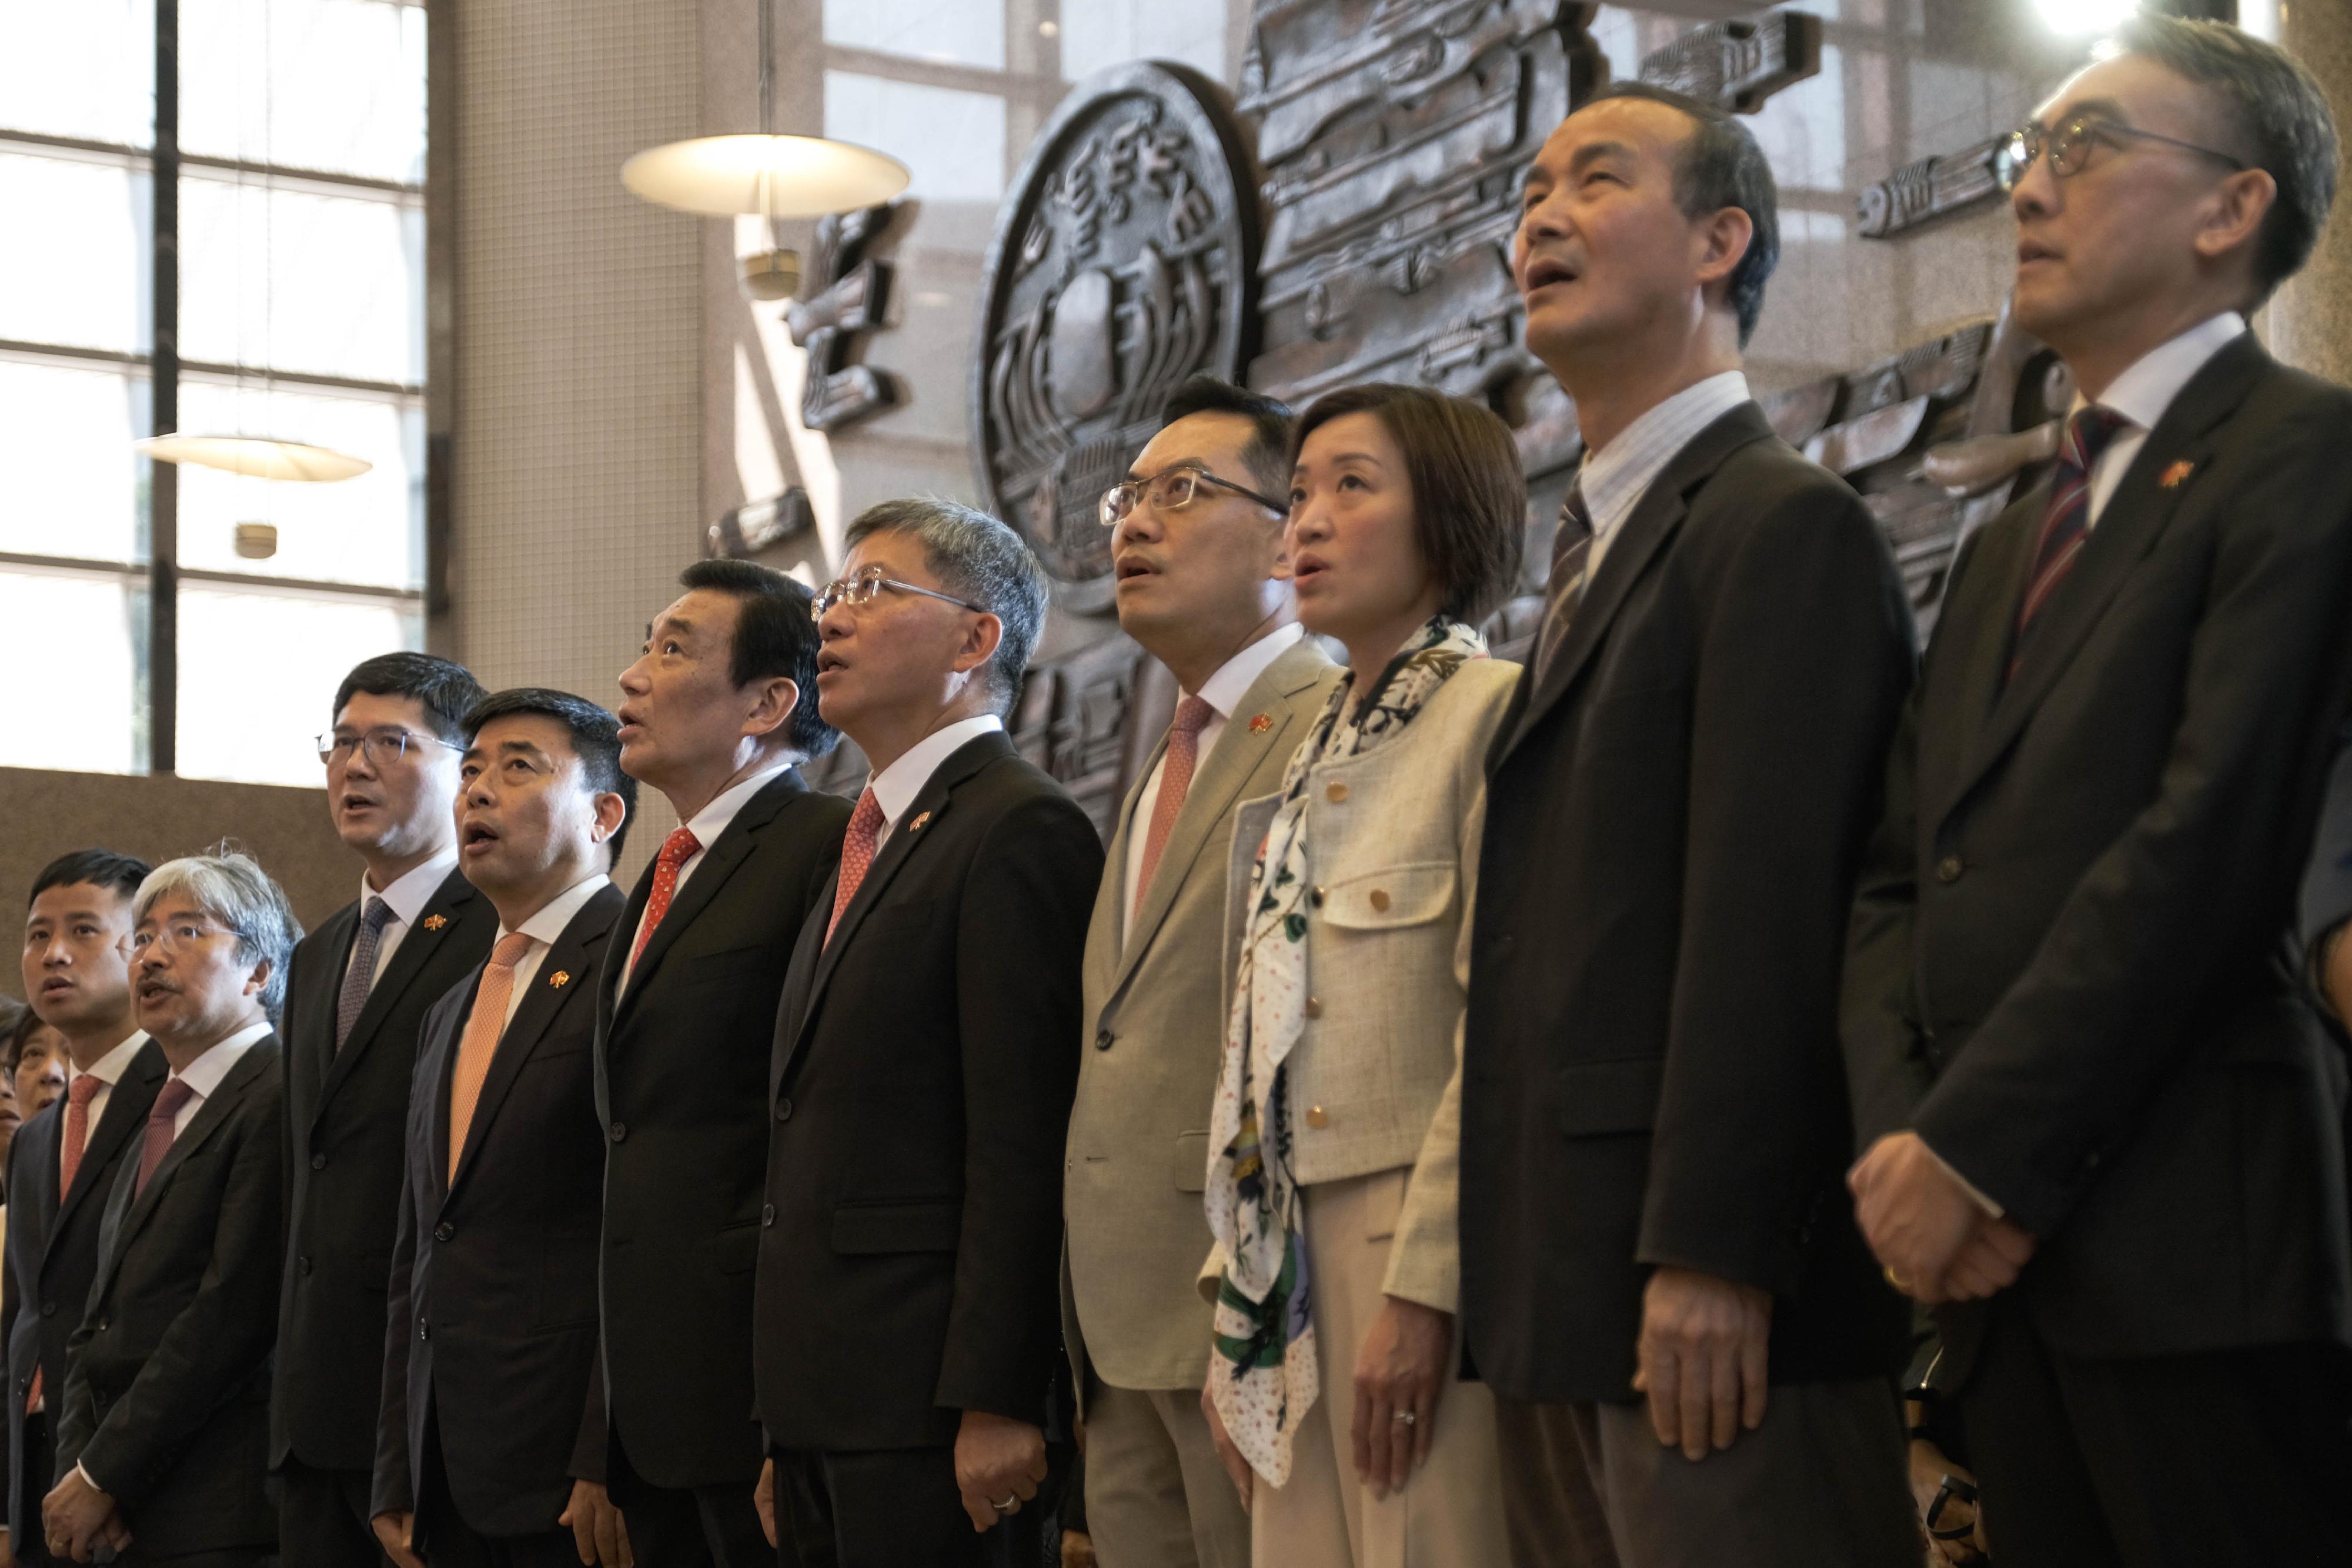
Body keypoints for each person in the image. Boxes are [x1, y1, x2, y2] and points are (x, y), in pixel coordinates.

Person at [1842, 18, 2352, 1565]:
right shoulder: (2013, 531)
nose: (2030, 188)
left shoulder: (2306, 458)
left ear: (2229, 207)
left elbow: (2212, 837)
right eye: (2022, 154)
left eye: (2084, 147)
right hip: (1994, 1272)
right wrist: (1903, 1145)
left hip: (2197, 1242)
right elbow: (1899, 875)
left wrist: (1979, 1148)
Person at [1459, 81, 1919, 1568]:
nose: (1540, 218)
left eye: (1594, 182)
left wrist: (1720, 1247)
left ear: (1721, 239)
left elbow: (1770, 919)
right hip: (1559, 1286)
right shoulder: (1595, 549)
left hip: (1708, 1297)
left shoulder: (1775, 522)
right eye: (1529, 194)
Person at [1197, 383, 1523, 1563]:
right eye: (1295, 495)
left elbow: (1502, 1029)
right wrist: (1229, 1302)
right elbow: (1254, 1043)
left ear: (1447, 514)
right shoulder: (1314, 742)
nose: (1307, 524)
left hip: (1411, 1229)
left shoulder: (1495, 712)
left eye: (1351, 485)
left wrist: (1426, 1287)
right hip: (1283, 1250)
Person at [753, 499, 1101, 1565]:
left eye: (869, 590)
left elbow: (1023, 1133)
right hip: (828, 1401)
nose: (830, 622)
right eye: (829, 595)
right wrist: (785, 1421)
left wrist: (996, 1397)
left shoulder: (1017, 824)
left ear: (974, 637)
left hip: (931, 1406)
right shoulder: (863, 833)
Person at [1063, 377, 1337, 1568]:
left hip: (1249, 1314)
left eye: (1182, 492)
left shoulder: (1331, 721)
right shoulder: (1163, 750)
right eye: (1128, 497)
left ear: (1289, 531)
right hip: (1118, 1318)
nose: (1134, 522)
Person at [597, 559, 851, 1567]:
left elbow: (815, 1130)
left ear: (769, 702)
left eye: (671, 650)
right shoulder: (659, 877)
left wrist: (784, 1414)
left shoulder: (828, 849)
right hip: (648, 1406)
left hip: (757, 1398)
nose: (631, 677)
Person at [372, 688, 636, 1568]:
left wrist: (608, 1451)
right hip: (448, 1468)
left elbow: (634, 1227)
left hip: (573, 1475)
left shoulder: (635, 966)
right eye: (472, 768)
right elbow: (422, 1241)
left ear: (604, 812)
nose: (476, 790)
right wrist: (397, 1466)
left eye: (518, 765)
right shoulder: (450, 1005)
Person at [276, 653, 496, 1568]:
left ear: (463, 767)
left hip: (430, 1401)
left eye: (390, 743)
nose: (354, 766)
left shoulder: (499, 928)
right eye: (342, 743)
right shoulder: (320, 949)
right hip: (310, 1408)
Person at [42, 850, 298, 1566]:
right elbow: (95, 1321)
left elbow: (229, 1312)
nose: (151, 958)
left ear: (259, 972)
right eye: (144, 937)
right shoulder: (160, 1111)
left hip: (219, 1507)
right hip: (127, 1511)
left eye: (187, 933)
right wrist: (82, 1474)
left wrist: (104, 1475)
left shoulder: (276, 1096)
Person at [2, 851, 166, 1568]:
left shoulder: (182, 1100)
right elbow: (27, 1318)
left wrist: (114, 1472)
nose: (54, 953)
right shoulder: (37, 1136)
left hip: (136, 1481)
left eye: (84, 931)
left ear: (141, 946)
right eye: (38, 935)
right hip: (40, 1466)